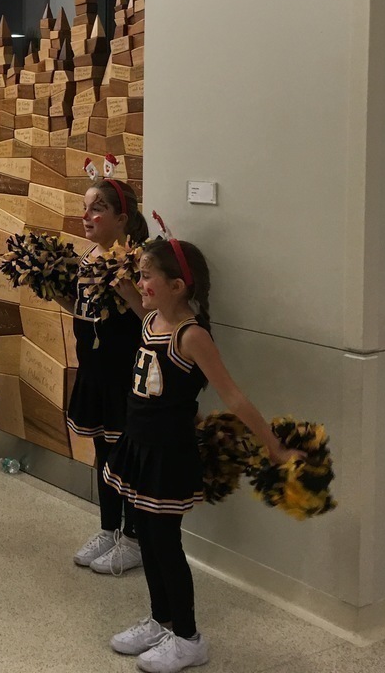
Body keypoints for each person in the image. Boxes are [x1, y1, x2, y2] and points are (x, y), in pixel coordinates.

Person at [103, 238, 303, 673]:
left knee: (165, 544)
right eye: (139, 274)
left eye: (147, 276)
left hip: (168, 453)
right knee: (147, 537)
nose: (140, 282)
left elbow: (233, 396)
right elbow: (147, 322)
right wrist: (129, 289)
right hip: (139, 445)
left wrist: (273, 445)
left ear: (177, 286)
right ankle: (161, 621)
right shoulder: (152, 319)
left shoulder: (192, 336)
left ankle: (189, 638)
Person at [62, 178, 148, 575]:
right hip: (93, 371)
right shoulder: (87, 257)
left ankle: (134, 538)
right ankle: (109, 528)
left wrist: (126, 285)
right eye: (85, 207)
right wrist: (49, 288)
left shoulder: (136, 261)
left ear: (122, 218)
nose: (86, 215)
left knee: (125, 458)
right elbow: (83, 310)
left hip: (122, 374)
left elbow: (152, 318)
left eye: (97, 208)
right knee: (103, 452)